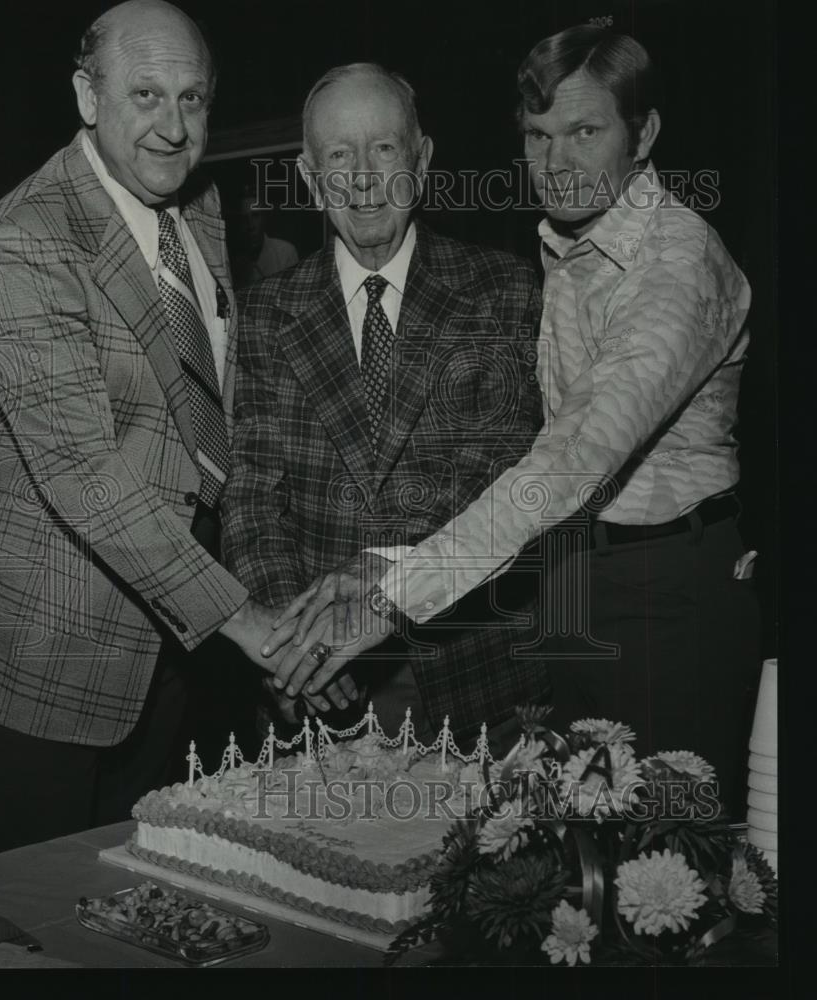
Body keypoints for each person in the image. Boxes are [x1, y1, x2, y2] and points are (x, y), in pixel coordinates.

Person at [270, 28, 761, 816]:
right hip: (569, 587)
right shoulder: (570, 248)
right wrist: (388, 562)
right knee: (574, 880)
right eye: (538, 136)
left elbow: (568, 459)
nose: (557, 162)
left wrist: (391, 600)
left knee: (668, 883)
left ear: (647, 135)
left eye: (585, 131)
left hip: (665, 593)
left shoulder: (676, 263)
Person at [0, 0, 343, 856]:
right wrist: (252, 624)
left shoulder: (200, 211)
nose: (174, 128)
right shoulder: (19, 243)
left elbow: (206, 418)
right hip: (62, 657)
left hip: (186, 651)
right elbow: (86, 475)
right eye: (145, 95)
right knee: (50, 925)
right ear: (86, 95)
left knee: (166, 898)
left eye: (192, 99)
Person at [222, 63, 548, 749]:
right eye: (339, 155)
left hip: (475, 675)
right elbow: (252, 496)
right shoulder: (264, 315)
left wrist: (383, 573)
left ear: (422, 160)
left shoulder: (506, 290)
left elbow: (502, 469)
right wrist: (295, 645)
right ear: (311, 178)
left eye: (384, 149)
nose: (363, 177)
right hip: (316, 691)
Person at [228, 188, 299, 289]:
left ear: (264, 218)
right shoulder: (232, 260)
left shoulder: (286, 253)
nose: (250, 225)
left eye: (255, 216)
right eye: (244, 219)